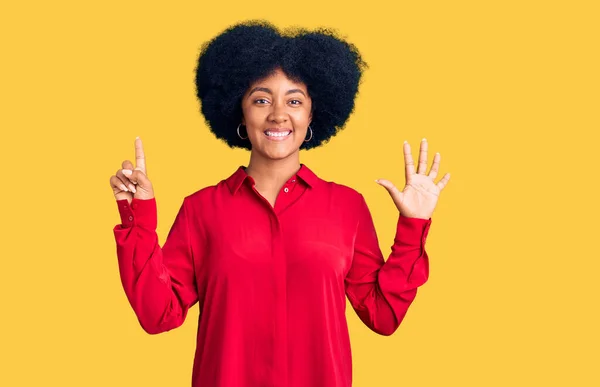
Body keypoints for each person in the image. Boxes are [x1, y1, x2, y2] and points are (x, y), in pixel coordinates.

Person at [109, 20, 450, 387]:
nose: (277, 114)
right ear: (240, 111)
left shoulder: (347, 207)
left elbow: (383, 316)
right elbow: (158, 314)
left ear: (312, 114)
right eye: (260, 99)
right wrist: (137, 221)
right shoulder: (201, 210)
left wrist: (413, 226)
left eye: (294, 100)